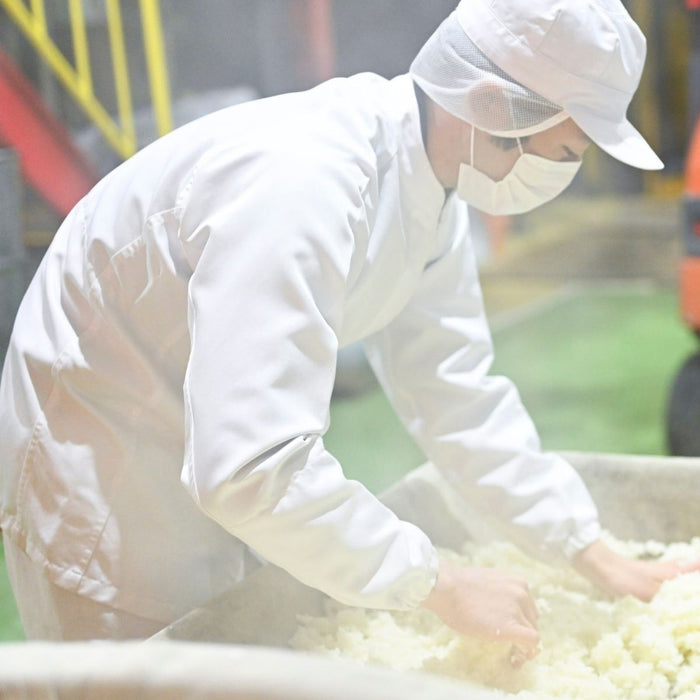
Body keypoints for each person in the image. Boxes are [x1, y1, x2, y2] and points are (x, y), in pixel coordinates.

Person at [1, 0, 697, 659]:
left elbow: (454, 391)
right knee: (147, 668)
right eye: (570, 146)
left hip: (195, 435)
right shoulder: (305, 179)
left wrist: (584, 546)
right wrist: (439, 584)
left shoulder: (430, 187)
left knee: (228, 635)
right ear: (498, 105)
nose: (570, 169)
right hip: (105, 454)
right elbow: (249, 467)